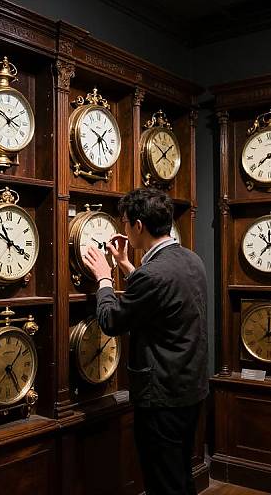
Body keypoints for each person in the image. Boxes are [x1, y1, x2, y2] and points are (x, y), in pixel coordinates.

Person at [83, 187, 208, 495]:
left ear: (138, 225)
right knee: (180, 474)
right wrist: (126, 265)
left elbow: (111, 321)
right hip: (190, 390)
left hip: (161, 399)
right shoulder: (191, 259)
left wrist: (103, 277)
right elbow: (160, 299)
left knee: (163, 483)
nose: (124, 228)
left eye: (125, 222)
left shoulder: (153, 275)